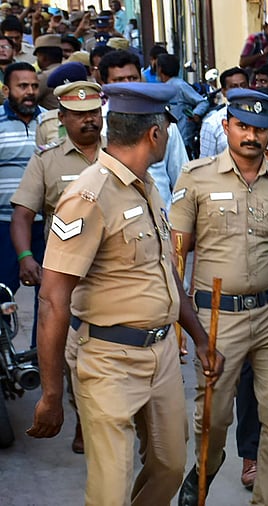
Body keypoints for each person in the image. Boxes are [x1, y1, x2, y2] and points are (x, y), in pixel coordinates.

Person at [25, 81, 223, 506]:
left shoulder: (145, 185)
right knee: (110, 491)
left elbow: (165, 273)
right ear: (155, 134)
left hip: (162, 355)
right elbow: (53, 298)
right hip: (109, 360)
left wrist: (202, 339)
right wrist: (52, 393)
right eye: (166, 129)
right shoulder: (88, 196)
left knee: (169, 466)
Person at [171, 88, 268, 506]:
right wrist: (179, 323)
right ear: (226, 126)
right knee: (212, 416)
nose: (251, 136)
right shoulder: (196, 178)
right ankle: (206, 470)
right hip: (217, 317)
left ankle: (267, 500)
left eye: (261, 129)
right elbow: (177, 254)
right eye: (243, 126)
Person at [10, 80, 102, 455]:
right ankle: (82, 416)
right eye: (79, 115)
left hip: (115, 272)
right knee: (72, 355)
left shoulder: (120, 155)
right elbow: (23, 215)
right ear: (62, 118)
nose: (89, 121)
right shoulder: (46, 161)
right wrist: (25, 257)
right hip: (68, 276)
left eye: (94, 113)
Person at [97, 50, 189, 209]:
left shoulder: (164, 124)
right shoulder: (99, 125)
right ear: (105, 85)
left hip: (162, 220)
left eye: (133, 78)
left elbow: (182, 179)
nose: (128, 85)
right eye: (119, 80)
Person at [0, 62, 41, 317]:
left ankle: (42, 355)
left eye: (34, 86)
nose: (30, 91)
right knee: (2, 292)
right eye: (22, 86)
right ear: (7, 90)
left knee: (50, 294)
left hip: (45, 224)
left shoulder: (51, 122)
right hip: (4, 224)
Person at [157, 53, 209, 156]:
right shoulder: (162, 87)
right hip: (168, 141)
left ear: (160, 69)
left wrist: (195, 114)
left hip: (182, 140)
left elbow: (203, 102)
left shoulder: (180, 86)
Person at [199, 66, 249, 158]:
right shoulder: (212, 123)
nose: (240, 91)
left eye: (243, 85)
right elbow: (206, 161)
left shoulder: (259, 116)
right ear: (224, 92)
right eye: (234, 87)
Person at [33, 34, 63, 110]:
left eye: (38, 56)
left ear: (43, 57)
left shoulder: (44, 77)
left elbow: (25, 100)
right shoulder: (71, 71)